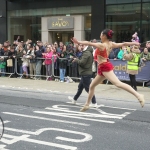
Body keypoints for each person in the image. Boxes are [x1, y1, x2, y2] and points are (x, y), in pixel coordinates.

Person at [71, 29, 145, 112]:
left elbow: (89, 43)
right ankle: (87, 104)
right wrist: (134, 43)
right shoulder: (111, 44)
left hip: (105, 67)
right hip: (102, 68)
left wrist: (78, 42)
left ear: (104, 36)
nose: (100, 35)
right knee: (92, 86)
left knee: (118, 83)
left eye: (101, 34)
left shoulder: (102, 45)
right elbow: (124, 44)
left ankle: (139, 96)